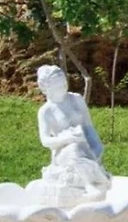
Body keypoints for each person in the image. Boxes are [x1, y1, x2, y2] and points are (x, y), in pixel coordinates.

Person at [36, 64, 111, 199]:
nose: (63, 86)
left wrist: (97, 145)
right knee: (74, 149)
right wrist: (68, 139)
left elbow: (88, 127)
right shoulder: (46, 111)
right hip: (63, 151)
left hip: (85, 145)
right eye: (58, 85)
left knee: (81, 149)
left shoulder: (76, 99)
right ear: (47, 89)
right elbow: (45, 141)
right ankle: (88, 185)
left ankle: (95, 178)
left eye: (64, 82)